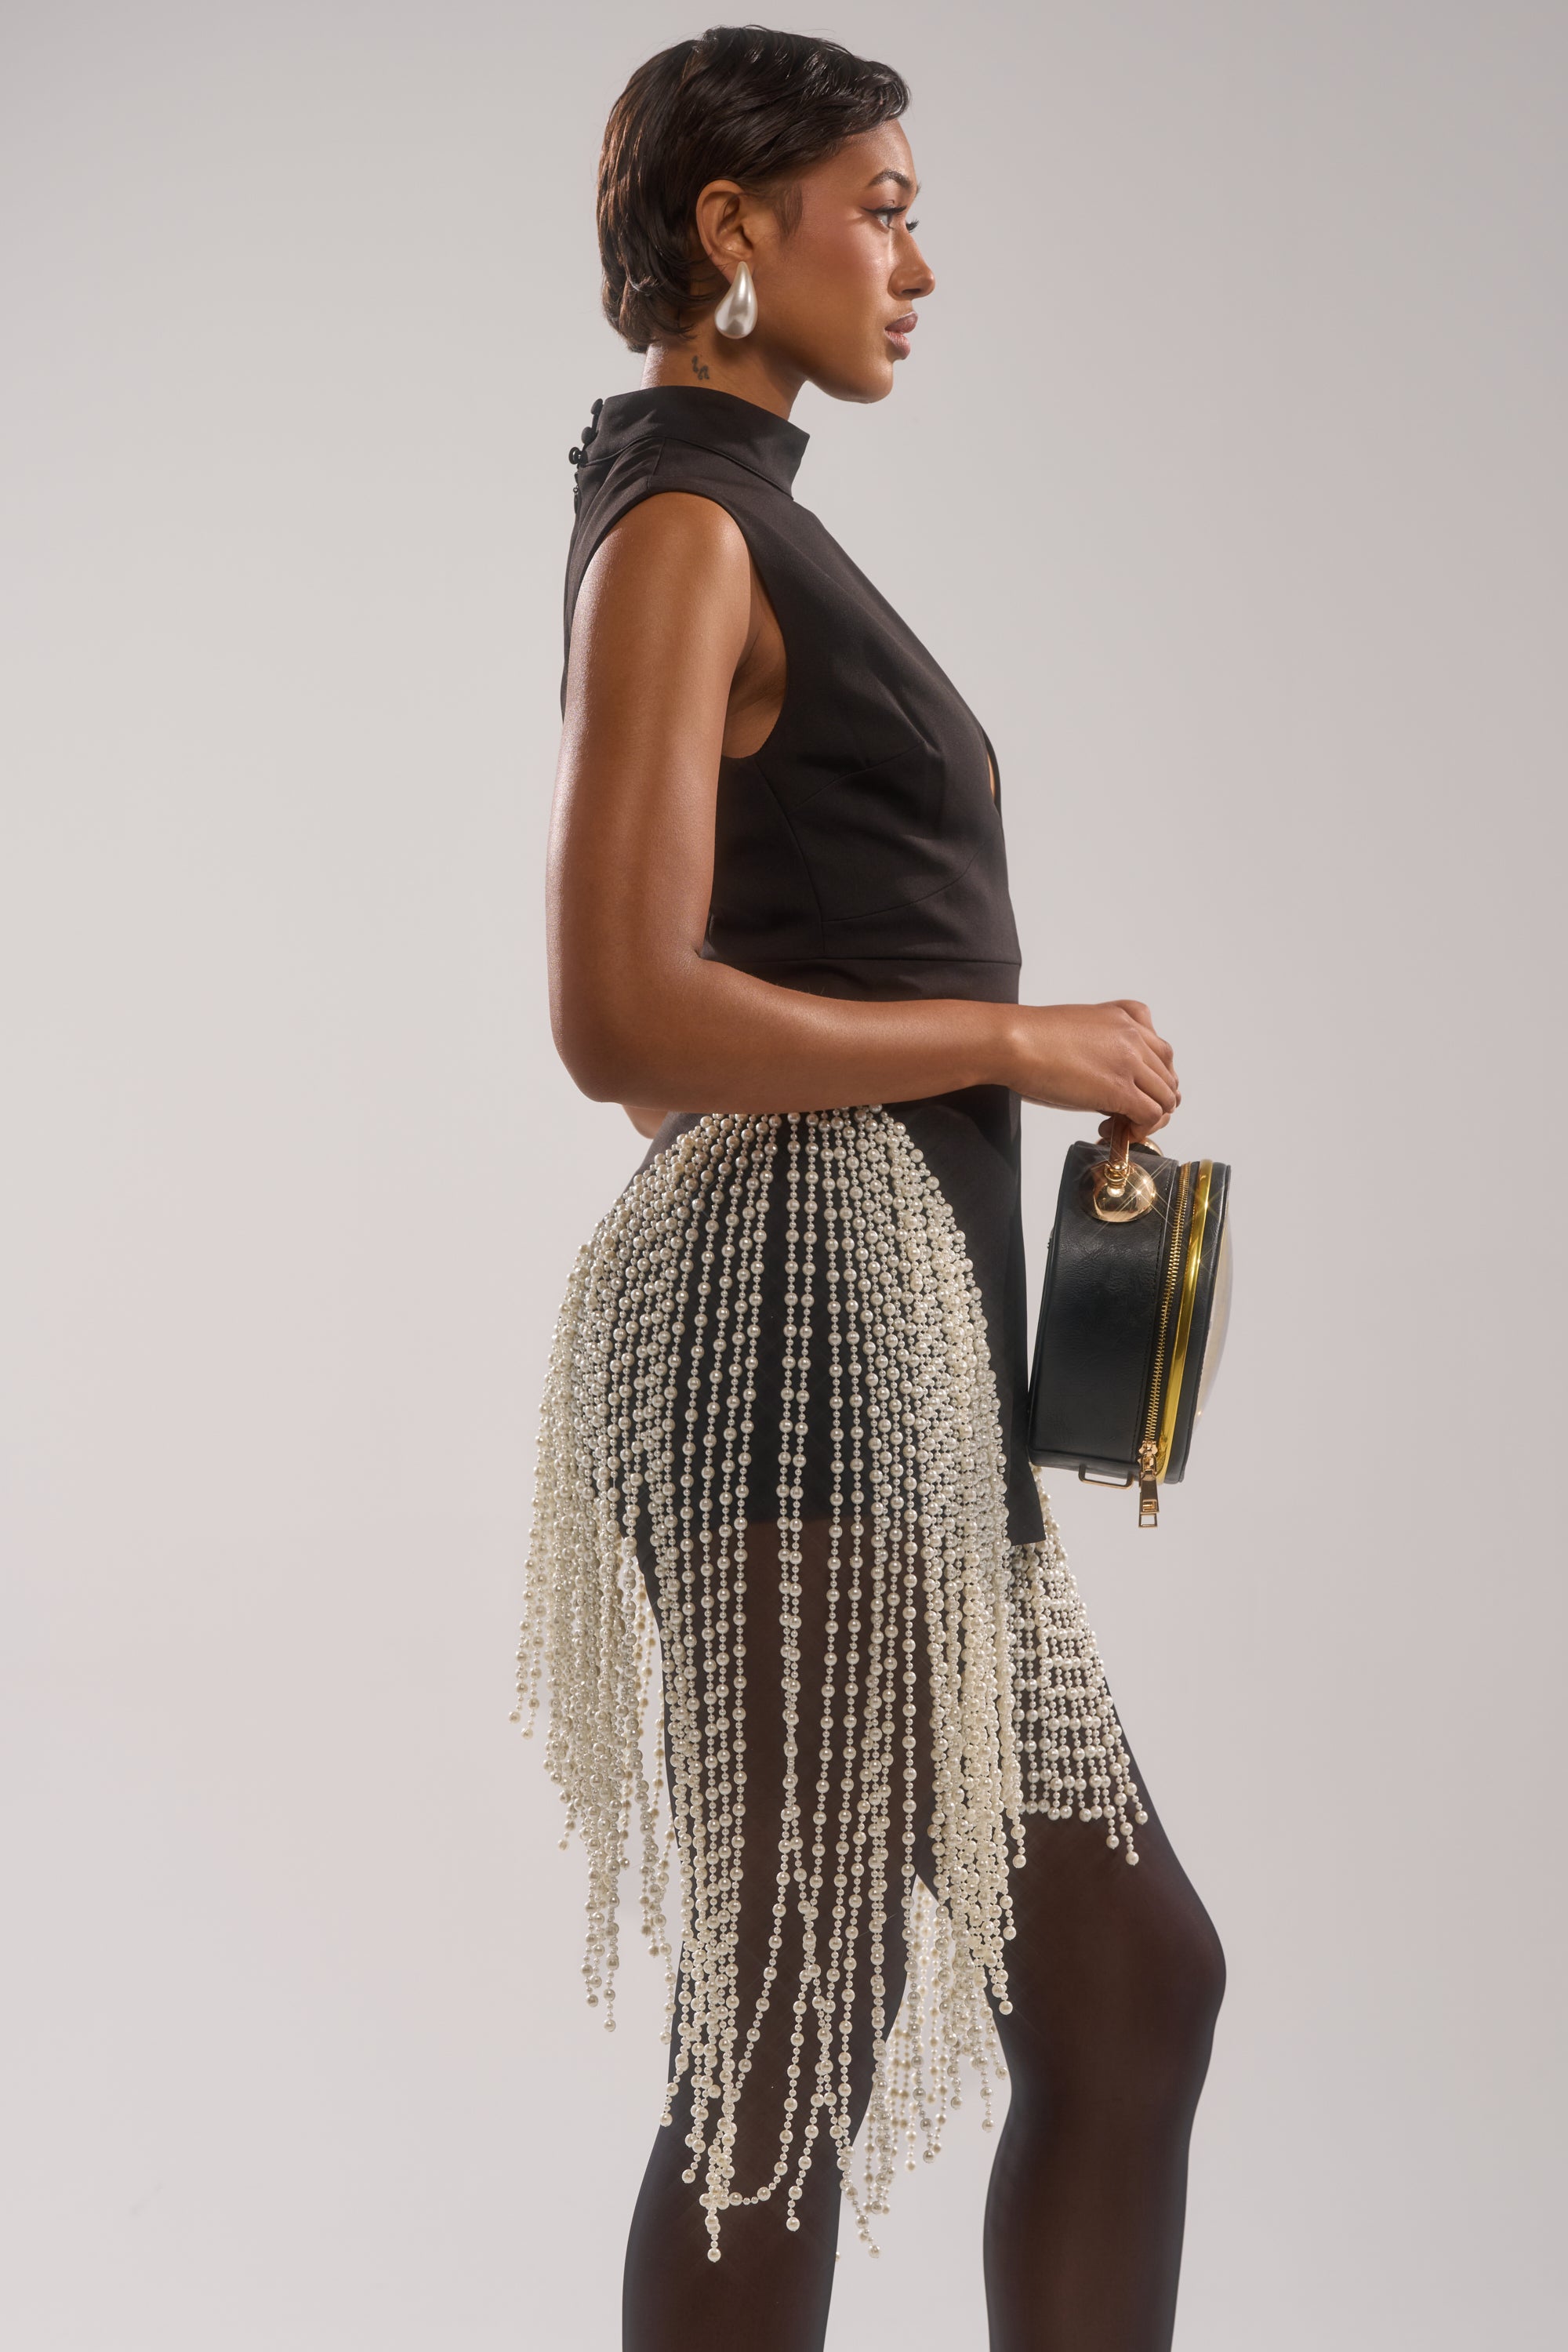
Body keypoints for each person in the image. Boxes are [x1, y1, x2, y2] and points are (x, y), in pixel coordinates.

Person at [514, 27, 1227, 2351]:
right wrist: (1009, 1038)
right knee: (796, 2019)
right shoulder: (686, 532)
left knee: (1126, 1987)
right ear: (739, 231)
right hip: (803, 1317)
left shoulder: (752, 522)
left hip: (884, 1317)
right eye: (882, 203)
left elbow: (708, 1021)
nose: (918, 258)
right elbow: (623, 1023)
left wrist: (969, 1085)